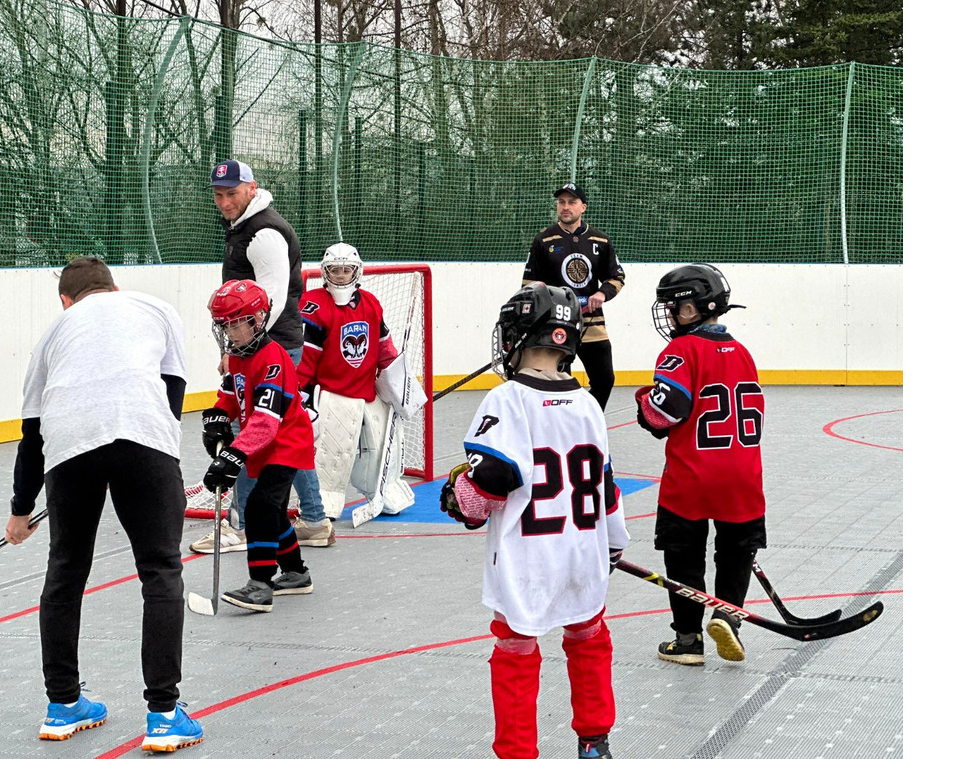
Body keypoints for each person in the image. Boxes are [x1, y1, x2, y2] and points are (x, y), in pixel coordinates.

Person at [4, 257, 203, 752]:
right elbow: (172, 391)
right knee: (160, 568)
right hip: (144, 437)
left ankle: (63, 705)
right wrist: (153, 456)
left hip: (69, 445)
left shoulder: (54, 333)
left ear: (66, 301)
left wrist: (21, 507)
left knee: (65, 571)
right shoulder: (155, 308)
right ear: (115, 287)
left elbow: (31, 432)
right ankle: (163, 714)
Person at [440, 282, 630, 759]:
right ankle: (594, 742)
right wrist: (614, 543)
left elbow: (493, 480)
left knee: (515, 651)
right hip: (583, 553)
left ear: (521, 334)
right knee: (588, 639)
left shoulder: (508, 400)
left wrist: (459, 498)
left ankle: (518, 751)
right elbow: (606, 483)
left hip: (529, 556)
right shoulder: (587, 402)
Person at [189, 159, 332, 554]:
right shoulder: (246, 226)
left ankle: (245, 526)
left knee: (250, 431)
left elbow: (266, 301)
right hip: (271, 343)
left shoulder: (264, 233)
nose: (224, 201)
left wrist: (238, 352)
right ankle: (316, 520)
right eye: (218, 195)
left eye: (231, 193)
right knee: (289, 433)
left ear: (252, 188)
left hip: (270, 346)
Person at [633, 263, 766, 666]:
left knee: (683, 553)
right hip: (743, 476)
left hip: (691, 477)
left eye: (674, 307)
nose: (670, 315)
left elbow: (665, 413)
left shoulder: (680, 350)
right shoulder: (742, 352)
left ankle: (688, 640)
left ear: (691, 309)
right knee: (736, 551)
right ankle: (728, 615)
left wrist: (643, 402)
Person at [200, 279, 317, 612]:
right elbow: (230, 395)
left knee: (259, 507)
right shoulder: (238, 355)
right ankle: (296, 573)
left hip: (286, 443)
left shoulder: (274, 360)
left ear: (256, 319)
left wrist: (233, 456)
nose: (228, 332)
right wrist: (217, 418)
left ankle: (260, 584)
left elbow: (267, 421)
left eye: (235, 324)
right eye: (223, 325)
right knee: (274, 512)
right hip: (264, 444)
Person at [297, 242, 416, 520]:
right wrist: (299, 393)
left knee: (384, 447)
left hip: (367, 391)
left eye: (346, 269)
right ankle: (323, 501)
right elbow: (306, 358)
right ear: (325, 273)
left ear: (357, 272)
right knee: (331, 456)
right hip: (331, 395)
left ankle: (385, 490)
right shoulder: (313, 304)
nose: (340, 275)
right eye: (334, 270)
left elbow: (385, 349)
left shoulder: (372, 304)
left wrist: (401, 387)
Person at [522, 181, 625, 411]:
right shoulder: (543, 240)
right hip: (555, 325)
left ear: (583, 207)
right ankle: (561, 427)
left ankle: (587, 421)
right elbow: (529, 285)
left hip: (593, 324)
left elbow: (617, 277)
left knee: (605, 380)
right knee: (556, 383)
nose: (565, 207)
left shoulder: (601, 241)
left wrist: (601, 293)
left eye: (571, 202)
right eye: (561, 202)